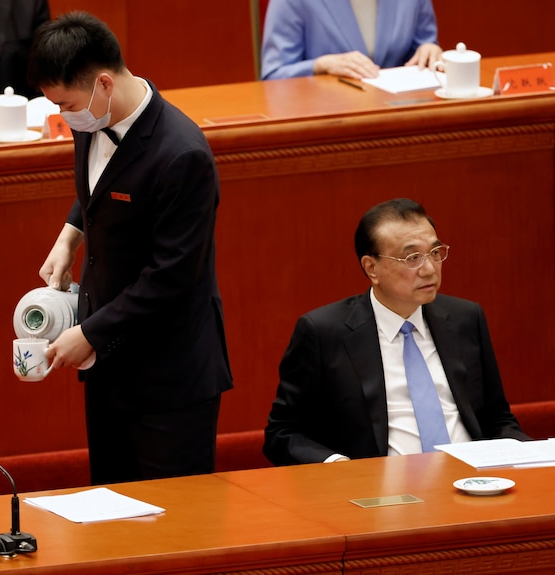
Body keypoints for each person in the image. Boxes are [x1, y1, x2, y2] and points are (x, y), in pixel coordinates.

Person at [26, 11, 233, 485]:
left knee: (172, 528)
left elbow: (172, 277)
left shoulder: (183, 155)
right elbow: (103, 185)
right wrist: (70, 232)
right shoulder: (91, 117)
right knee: (112, 518)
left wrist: (90, 333)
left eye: (66, 104)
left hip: (169, 377)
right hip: (108, 369)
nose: (64, 116)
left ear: (103, 83)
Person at [263, 198, 530, 466]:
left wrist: (528, 454)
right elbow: (282, 434)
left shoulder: (465, 318)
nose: (429, 269)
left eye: (435, 253)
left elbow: (498, 419)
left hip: (473, 483)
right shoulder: (323, 332)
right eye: (412, 257)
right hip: (381, 492)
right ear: (372, 268)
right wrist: (339, 467)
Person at [260, 0, 442, 80]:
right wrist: (321, 65)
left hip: (400, 120)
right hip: (329, 125)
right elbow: (274, 75)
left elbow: (422, 46)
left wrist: (428, 51)